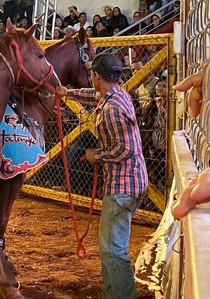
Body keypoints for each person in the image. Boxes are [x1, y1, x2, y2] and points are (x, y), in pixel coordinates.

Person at [55, 53, 148, 299]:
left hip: (122, 185)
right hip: (132, 181)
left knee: (113, 250)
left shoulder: (112, 109)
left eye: (92, 75)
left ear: (96, 76)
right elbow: (94, 95)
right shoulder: (117, 95)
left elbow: (126, 149)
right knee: (112, 247)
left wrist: (98, 155)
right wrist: (68, 93)